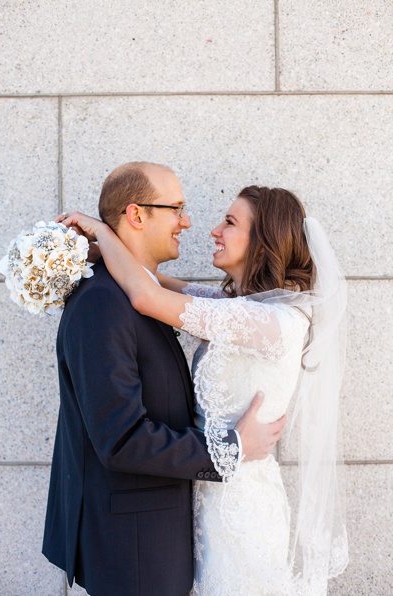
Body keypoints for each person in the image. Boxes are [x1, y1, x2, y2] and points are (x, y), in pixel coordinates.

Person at [60, 167, 348, 594]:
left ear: (264, 240)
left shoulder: (276, 322)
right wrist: (107, 250)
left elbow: (147, 296)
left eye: (230, 222)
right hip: (202, 494)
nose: (211, 228)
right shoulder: (235, 306)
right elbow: (155, 282)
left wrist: (103, 231)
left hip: (240, 501)